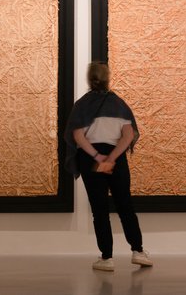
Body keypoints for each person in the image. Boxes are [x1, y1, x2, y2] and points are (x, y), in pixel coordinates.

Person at [64, 61, 153, 272]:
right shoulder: (119, 104)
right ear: (107, 78)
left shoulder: (82, 105)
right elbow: (128, 135)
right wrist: (112, 158)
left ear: (89, 79)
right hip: (116, 159)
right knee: (125, 206)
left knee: (99, 209)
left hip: (91, 159)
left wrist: (98, 157)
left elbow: (77, 135)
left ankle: (106, 258)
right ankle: (138, 251)